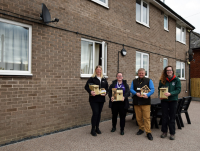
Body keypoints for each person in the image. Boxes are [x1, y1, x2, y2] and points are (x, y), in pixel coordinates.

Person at [130, 68, 155, 140]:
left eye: (142, 73)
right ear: (137, 73)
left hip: (146, 102)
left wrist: (148, 95)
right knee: (138, 117)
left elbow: (152, 89)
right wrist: (136, 93)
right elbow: (131, 89)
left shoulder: (149, 80)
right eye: (139, 73)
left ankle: (148, 132)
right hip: (136, 101)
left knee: (146, 118)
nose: (141, 74)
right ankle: (141, 129)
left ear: (145, 73)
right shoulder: (134, 81)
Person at [158, 65, 181, 140]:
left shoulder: (176, 80)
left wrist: (170, 93)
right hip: (164, 101)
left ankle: (172, 133)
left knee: (172, 117)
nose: (169, 71)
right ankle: (164, 132)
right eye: (167, 70)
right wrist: (160, 95)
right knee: (164, 116)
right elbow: (159, 89)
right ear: (166, 72)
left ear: (172, 71)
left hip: (173, 101)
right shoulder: (162, 80)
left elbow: (178, 90)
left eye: (170, 70)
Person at [85, 65, 108, 136]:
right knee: (95, 113)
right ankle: (92, 129)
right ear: (95, 70)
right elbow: (86, 86)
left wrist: (105, 93)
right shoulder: (92, 79)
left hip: (101, 99)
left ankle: (97, 128)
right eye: (97, 70)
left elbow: (107, 88)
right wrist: (90, 92)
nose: (99, 71)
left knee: (99, 114)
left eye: (100, 70)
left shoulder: (104, 79)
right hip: (93, 99)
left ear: (101, 71)